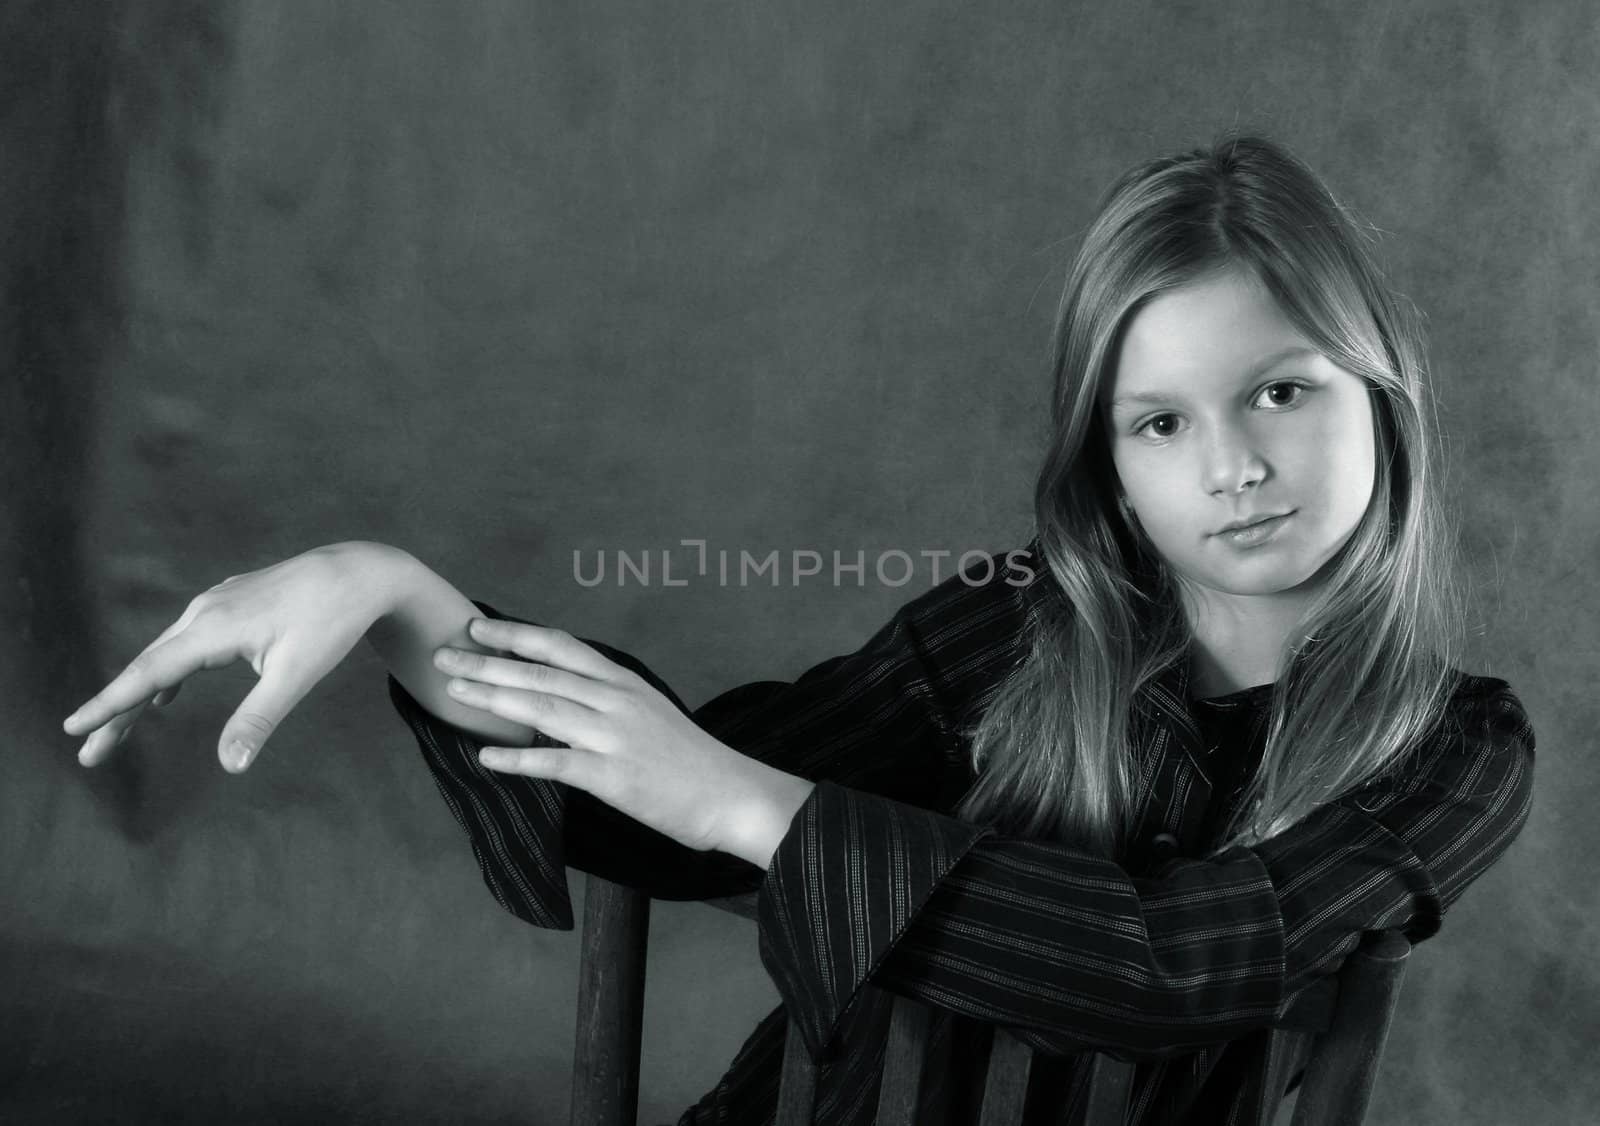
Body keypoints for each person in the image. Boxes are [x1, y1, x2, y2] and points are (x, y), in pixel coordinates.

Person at [62, 132, 1536, 1125]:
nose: (1230, 465)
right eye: (1161, 421)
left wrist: (756, 808)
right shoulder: (1024, 623)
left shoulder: (1452, 743)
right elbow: (678, 796)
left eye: (1282, 389)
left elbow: (1174, 965)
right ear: (1109, 463)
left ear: (1381, 387)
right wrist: (402, 601)